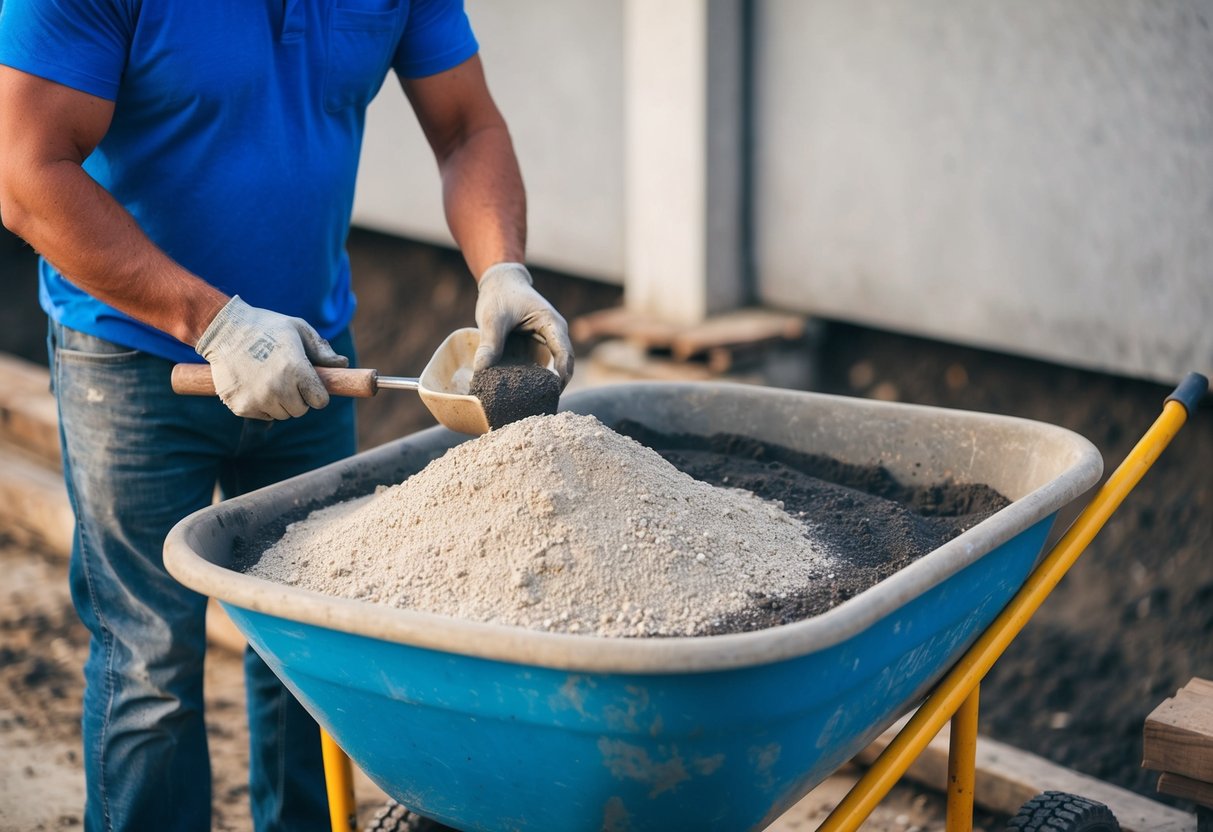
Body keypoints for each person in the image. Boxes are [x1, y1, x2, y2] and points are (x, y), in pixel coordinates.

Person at [0, 1, 572, 829]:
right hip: (131, 358)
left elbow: (465, 129)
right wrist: (213, 322)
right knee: (151, 661)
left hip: (316, 355)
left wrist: (502, 272)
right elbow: (25, 175)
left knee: (310, 652)